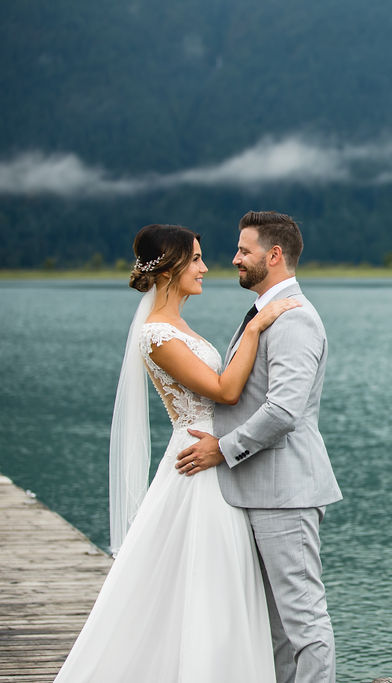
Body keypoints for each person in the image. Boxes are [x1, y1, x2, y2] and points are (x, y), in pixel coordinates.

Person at [55, 224, 299, 682]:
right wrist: (257, 325)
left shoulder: (180, 326)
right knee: (209, 579)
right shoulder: (157, 335)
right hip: (198, 466)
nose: (206, 268)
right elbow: (226, 391)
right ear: (168, 267)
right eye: (196, 259)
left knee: (219, 582)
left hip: (215, 457)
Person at [176, 210, 343, 683]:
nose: (234, 260)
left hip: (285, 493)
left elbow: (284, 412)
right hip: (262, 490)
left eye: (243, 251)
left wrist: (221, 450)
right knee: (276, 630)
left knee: (303, 622)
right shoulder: (265, 313)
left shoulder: (294, 319)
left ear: (273, 255)